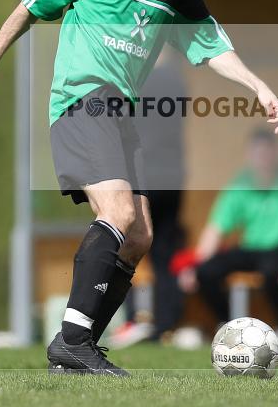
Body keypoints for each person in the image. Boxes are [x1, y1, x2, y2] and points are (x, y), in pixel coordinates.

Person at [0, 0, 278, 376]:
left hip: (123, 113)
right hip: (81, 99)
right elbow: (29, 8)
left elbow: (210, 44)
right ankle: (71, 341)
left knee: (139, 238)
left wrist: (257, 85)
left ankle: (79, 348)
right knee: (116, 213)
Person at [174, 129, 278, 347]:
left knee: (272, 272)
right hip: (251, 248)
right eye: (257, 153)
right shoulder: (241, 182)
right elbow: (217, 228)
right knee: (205, 271)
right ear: (249, 156)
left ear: (276, 153)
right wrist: (197, 265)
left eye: (266, 152)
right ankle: (230, 328)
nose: (262, 158)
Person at [109, 46, 188, 348]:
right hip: (174, 178)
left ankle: (132, 320)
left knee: (127, 244)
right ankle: (165, 326)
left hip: (145, 175)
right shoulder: (178, 82)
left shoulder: (140, 81)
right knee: (165, 252)